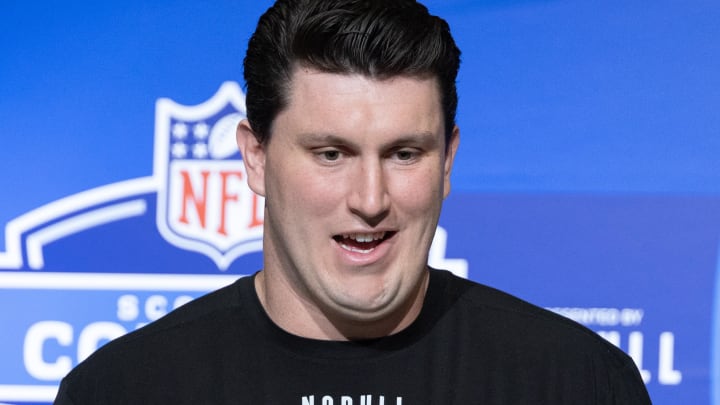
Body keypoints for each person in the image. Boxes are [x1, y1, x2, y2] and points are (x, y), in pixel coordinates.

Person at [55, 0, 652, 403]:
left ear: (447, 161)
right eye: (331, 154)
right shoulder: (125, 389)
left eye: (404, 154)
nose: (370, 200)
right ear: (256, 157)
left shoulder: (576, 383)